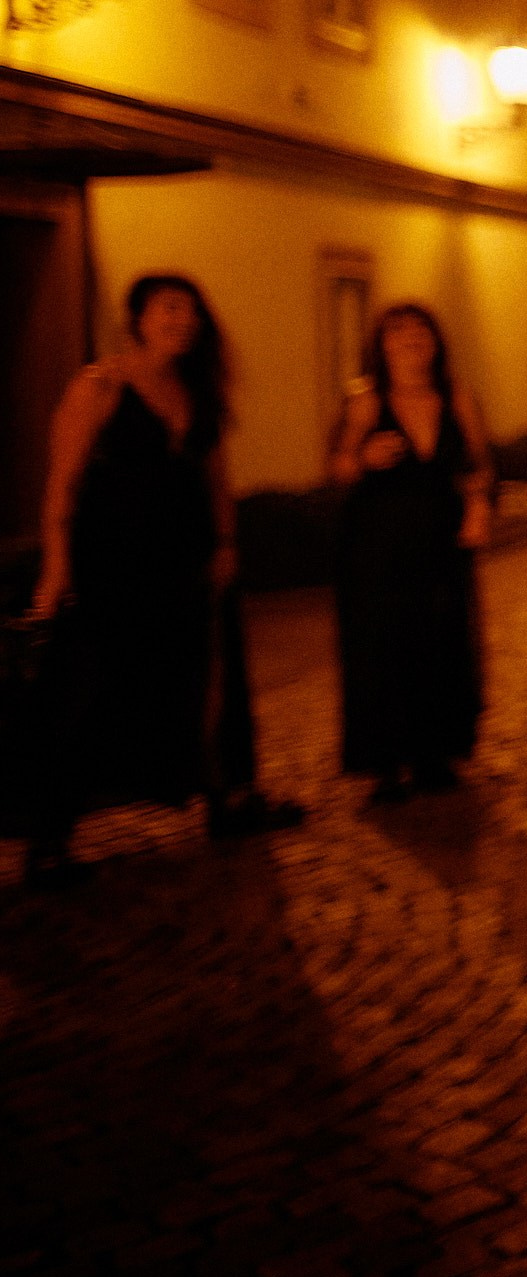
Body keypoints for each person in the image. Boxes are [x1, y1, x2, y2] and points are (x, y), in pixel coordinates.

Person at [25, 275, 299, 885]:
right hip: (110, 564)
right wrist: (56, 564)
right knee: (85, 691)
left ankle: (225, 796)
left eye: (191, 310)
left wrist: (226, 543)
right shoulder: (99, 387)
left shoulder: (197, 394)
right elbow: (62, 484)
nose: (182, 320)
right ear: (138, 319)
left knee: (207, 684)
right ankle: (49, 838)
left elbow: (214, 478)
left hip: (185, 563)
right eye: (168, 308)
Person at [330, 304, 492, 803]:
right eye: (397, 333)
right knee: (384, 646)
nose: (410, 340)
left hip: (441, 540)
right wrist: (363, 458)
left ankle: (435, 754)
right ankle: (384, 761)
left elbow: (480, 464)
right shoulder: (365, 401)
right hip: (379, 547)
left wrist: (479, 505)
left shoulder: (457, 398)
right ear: (380, 345)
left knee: (442, 642)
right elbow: (336, 469)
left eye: (420, 330)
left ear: (437, 342)